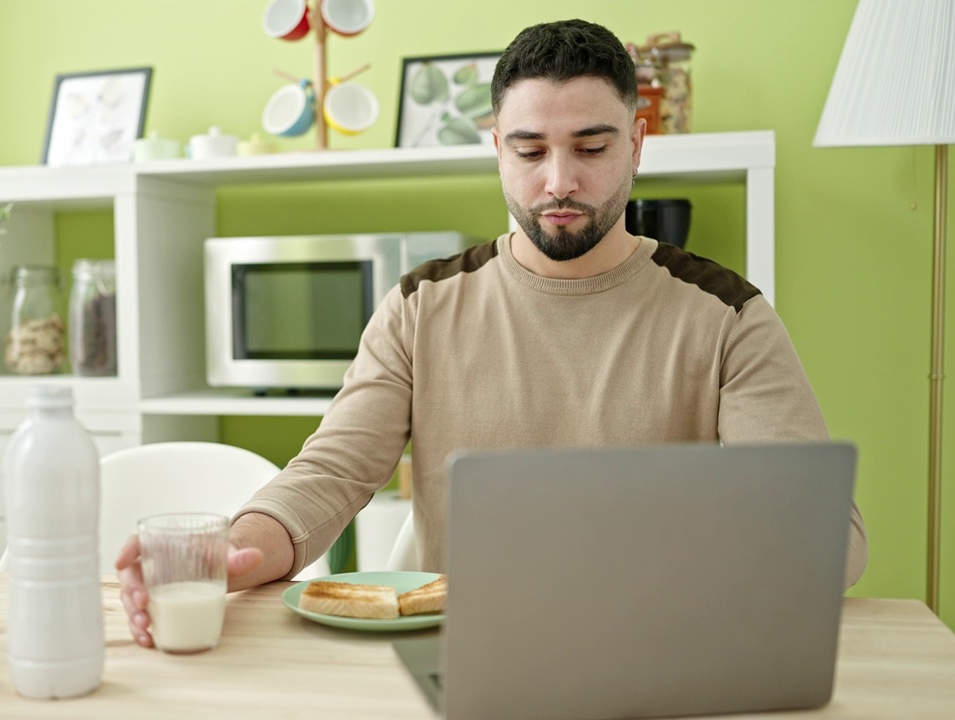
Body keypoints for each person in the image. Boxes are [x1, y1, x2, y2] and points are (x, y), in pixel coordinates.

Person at [118, 18, 869, 647]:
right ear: (496, 147)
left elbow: (828, 540)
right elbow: (330, 473)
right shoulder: (421, 304)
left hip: (667, 647)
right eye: (530, 149)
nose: (559, 181)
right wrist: (236, 546)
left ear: (640, 144)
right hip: (469, 655)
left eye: (593, 147)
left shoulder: (729, 314)